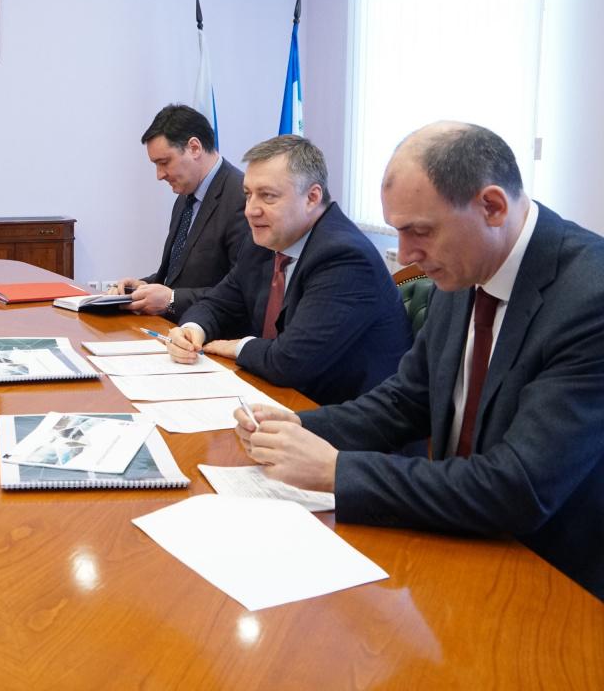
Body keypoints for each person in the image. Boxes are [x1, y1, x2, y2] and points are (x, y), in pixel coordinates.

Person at [236, 122, 604, 600]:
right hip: (454, 543)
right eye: (398, 231)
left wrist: (336, 471)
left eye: (420, 231)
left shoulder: (589, 297)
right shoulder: (465, 265)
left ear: (492, 207)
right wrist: (299, 427)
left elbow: (519, 487)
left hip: (550, 578)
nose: (407, 256)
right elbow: (404, 401)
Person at [168, 135, 411, 405]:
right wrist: (193, 330)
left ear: (312, 197)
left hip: (339, 414)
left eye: (267, 196)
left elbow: (290, 361)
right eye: (248, 195)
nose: (250, 210)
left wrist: (237, 346)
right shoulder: (265, 240)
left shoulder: (344, 257)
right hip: (279, 397)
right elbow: (219, 303)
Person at [107, 104, 249, 318]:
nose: (159, 175)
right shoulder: (185, 196)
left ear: (194, 148)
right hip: (172, 327)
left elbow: (241, 292)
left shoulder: (242, 198)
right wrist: (142, 287)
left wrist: (172, 300)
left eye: (164, 162)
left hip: (210, 332)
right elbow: (179, 275)